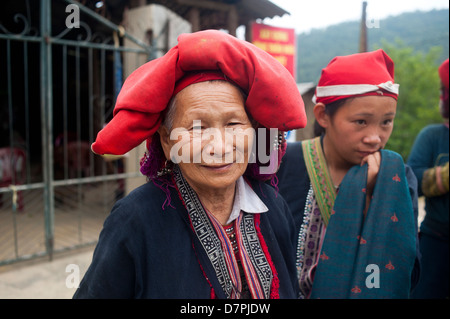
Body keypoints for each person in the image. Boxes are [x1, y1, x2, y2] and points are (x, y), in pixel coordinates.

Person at [73, 30, 307, 299]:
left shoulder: (272, 204)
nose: (218, 147)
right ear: (168, 142)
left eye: (233, 124)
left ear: (254, 132)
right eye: (197, 127)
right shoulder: (134, 220)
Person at [276, 49, 420, 299]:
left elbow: (408, 271)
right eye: (361, 122)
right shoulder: (285, 164)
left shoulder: (398, 177)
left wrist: (376, 200)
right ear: (323, 116)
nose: (375, 137)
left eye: (386, 122)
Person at [408, 58, 449, 299]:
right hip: (435, 240)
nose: (441, 97)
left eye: (444, 91)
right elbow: (414, 182)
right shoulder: (432, 136)